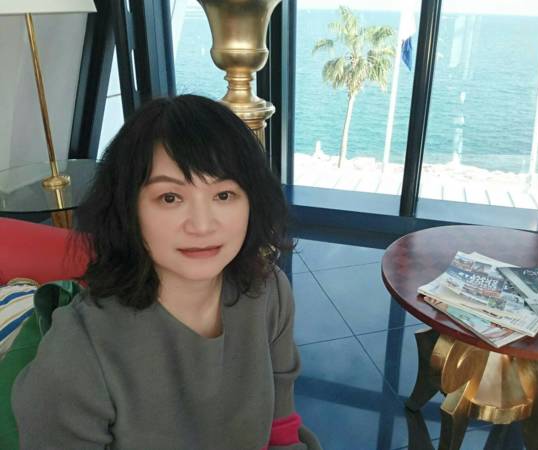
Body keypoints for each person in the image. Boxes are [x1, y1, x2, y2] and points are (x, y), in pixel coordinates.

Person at [12, 95, 320, 450]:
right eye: (170, 198)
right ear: (128, 208)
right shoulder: (76, 357)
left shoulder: (269, 291)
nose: (202, 225)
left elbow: (281, 429)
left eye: (224, 195)